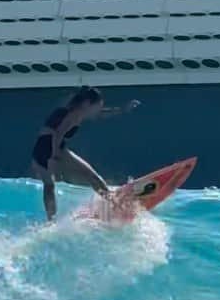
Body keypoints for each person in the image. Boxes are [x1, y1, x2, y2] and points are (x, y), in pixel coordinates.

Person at [30, 87, 140, 220]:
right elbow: (57, 133)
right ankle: (115, 204)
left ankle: (50, 220)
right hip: (52, 146)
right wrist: (54, 156)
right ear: (87, 103)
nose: (98, 110)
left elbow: (101, 114)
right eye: (97, 106)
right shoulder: (73, 114)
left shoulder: (74, 111)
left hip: (40, 147)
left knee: (49, 185)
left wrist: (122, 109)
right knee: (92, 176)